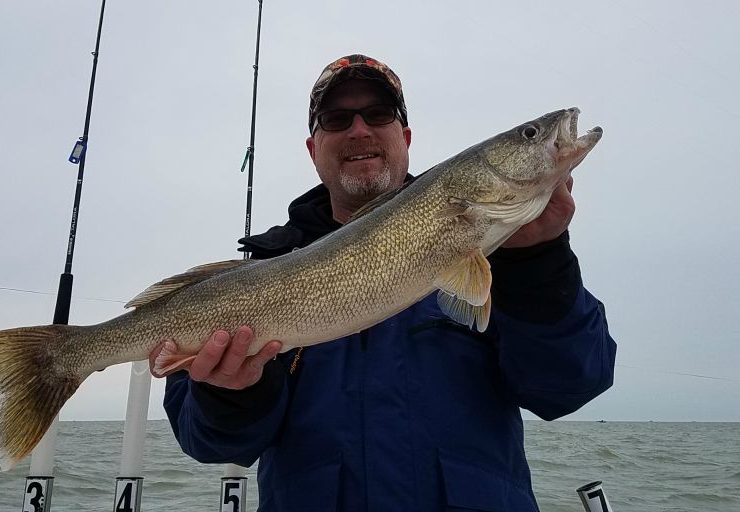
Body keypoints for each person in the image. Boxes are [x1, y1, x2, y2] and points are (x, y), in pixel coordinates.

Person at [162, 54, 617, 511]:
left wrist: (539, 262)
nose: (359, 130)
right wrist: (231, 394)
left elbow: (570, 387)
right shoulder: (261, 270)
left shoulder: (506, 254)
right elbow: (211, 443)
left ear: (405, 136)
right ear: (312, 148)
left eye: (379, 114)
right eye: (337, 119)